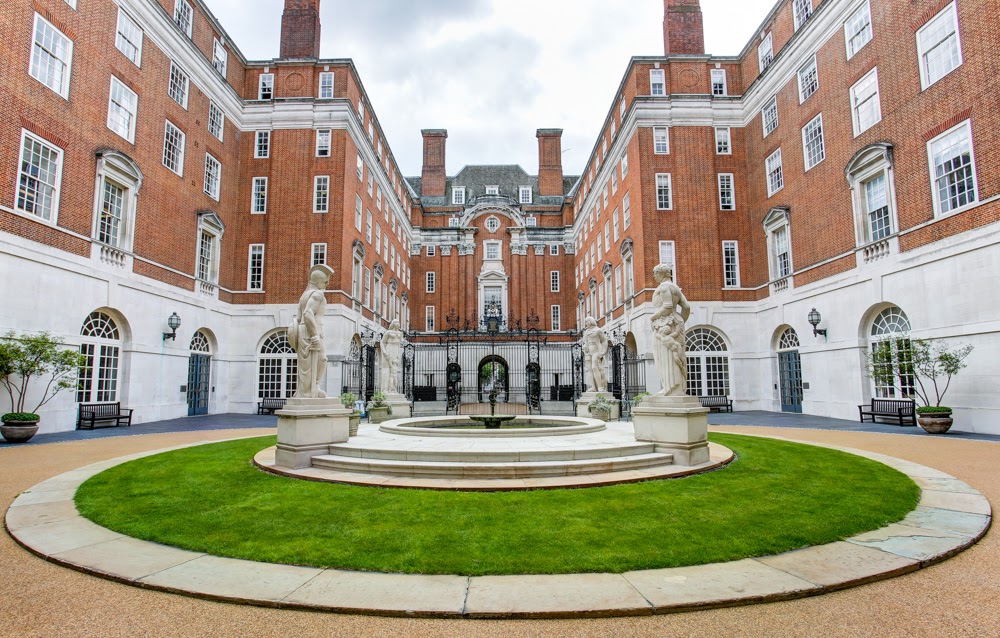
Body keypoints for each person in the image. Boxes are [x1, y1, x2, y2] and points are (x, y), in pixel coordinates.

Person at [288, 264, 333, 399]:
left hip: (304, 329)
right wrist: (314, 335)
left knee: (308, 364)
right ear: (319, 281)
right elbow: (308, 314)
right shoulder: (317, 294)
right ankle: (313, 388)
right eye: (325, 281)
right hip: (312, 331)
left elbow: (299, 317)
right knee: (322, 359)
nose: (326, 284)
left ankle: (309, 390)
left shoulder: (304, 295)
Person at [650, 264, 691, 397]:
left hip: (664, 324)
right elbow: (686, 307)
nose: (654, 276)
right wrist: (680, 322)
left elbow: (667, 306)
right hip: (673, 322)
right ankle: (675, 388)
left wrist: (654, 316)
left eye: (655, 273)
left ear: (662, 273)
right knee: (673, 356)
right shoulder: (675, 287)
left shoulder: (664, 287)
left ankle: (669, 387)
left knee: (664, 357)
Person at [581, 316, 609, 393]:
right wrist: (584, 347)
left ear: (591, 321)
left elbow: (604, 340)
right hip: (588, 352)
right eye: (586, 322)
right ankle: (593, 387)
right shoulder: (586, 332)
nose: (586, 323)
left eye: (587, 321)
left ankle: (600, 387)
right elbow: (585, 342)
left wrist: (603, 352)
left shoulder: (598, 330)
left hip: (596, 351)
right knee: (589, 369)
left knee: (594, 367)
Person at [380, 319, 403, 393]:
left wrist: (399, 355)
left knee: (394, 372)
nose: (398, 323)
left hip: (396, 351)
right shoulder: (388, 332)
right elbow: (382, 342)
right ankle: (385, 389)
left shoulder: (400, 333)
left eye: (398, 322)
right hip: (389, 349)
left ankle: (393, 389)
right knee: (386, 369)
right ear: (393, 324)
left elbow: (399, 345)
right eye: (396, 322)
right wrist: (384, 352)